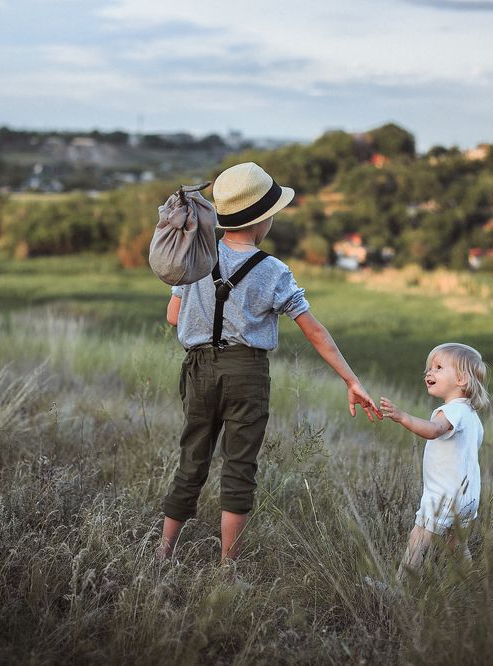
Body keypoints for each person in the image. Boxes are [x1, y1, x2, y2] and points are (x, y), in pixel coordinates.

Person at [157, 162, 381, 564]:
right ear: (263, 221)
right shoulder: (274, 271)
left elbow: (173, 316)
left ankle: (163, 553)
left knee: (192, 460)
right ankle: (228, 566)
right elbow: (314, 331)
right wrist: (351, 380)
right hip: (246, 373)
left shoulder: (196, 257)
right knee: (239, 465)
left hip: (198, 370)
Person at [379, 342, 490, 575]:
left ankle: (399, 588)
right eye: (429, 368)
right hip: (467, 497)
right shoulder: (471, 416)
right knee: (456, 545)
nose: (429, 372)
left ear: (461, 380)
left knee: (418, 537)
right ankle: (470, 582)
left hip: (443, 495)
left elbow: (433, 430)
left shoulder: (449, 411)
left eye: (438, 367)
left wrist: (403, 417)